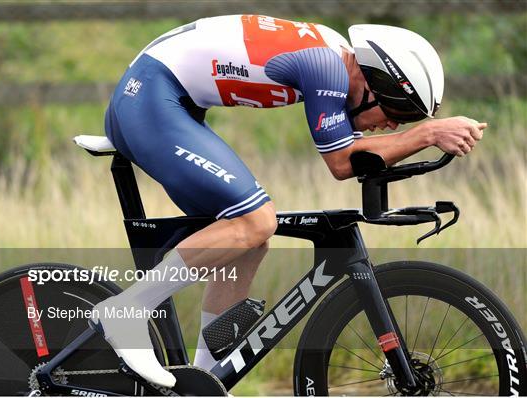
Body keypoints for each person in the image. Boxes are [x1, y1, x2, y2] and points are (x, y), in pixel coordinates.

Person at [89, 15, 486, 387]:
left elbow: (357, 150)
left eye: (408, 118)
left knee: (251, 236)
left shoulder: (331, 57)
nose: (395, 124)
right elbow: (342, 162)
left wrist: (421, 138)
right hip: (150, 97)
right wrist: (428, 134)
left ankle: (205, 380)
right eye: (397, 109)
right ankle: (126, 311)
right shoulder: (326, 68)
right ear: (371, 82)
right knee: (257, 220)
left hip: (168, 100)